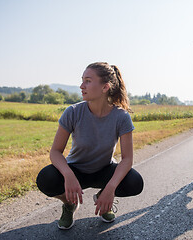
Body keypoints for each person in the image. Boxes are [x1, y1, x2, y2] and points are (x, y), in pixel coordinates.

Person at [36, 62, 144, 230]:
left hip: (104, 170)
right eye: (82, 80)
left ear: (105, 87)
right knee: (46, 178)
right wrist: (68, 175)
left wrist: (110, 189)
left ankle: (103, 198)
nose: (81, 86)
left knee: (135, 182)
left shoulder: (121, 117)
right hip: (76, 170)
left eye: (87, 81)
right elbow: (56, 152)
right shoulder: (72, 112)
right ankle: (69, 204)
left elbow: (127, 159)